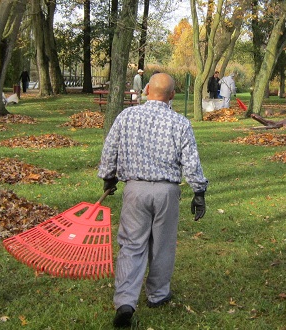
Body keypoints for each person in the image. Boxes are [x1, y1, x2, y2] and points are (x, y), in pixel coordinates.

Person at [98, 73, 208, 328]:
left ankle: (126, 301)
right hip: (166, 192)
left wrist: (108, 177)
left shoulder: (126, 117)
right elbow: (190, 162)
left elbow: (110, 149)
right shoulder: (180, 123)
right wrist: (199, 191)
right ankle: (158, 295)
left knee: (132, 244)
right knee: (163, 245)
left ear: (146, 89)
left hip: (135, 191)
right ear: (171, 96)